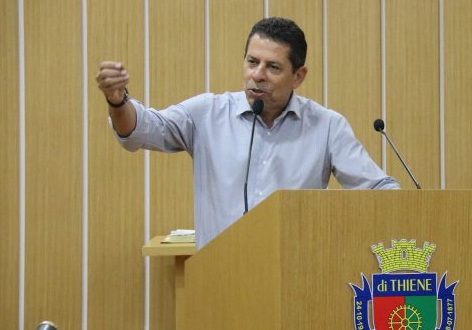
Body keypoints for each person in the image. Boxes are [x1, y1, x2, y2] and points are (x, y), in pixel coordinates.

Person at [96, 17, 400, 249]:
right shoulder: (207, 113)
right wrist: (118, 101)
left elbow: (377, 190)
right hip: (219, 277)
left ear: (298, 76)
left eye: (273, 67)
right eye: (252, 62)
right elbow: (140, 131)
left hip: (291, 280)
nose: (257, 75)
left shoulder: (326, 126)